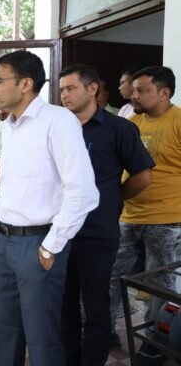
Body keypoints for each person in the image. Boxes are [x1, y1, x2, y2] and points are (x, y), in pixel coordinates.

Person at [0, 51, 99, 366]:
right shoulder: (6, 127)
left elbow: (83, 191)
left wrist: (52, 246)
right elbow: (9, 184)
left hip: (38, 243)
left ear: (25, 84)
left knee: (42, 338)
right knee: (7, 331)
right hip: (4, 242)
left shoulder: (57, 120)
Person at [59, 64, 154, 366]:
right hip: (59, 231)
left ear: (92, 89)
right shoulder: (57, 128)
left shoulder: (119, 129)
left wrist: (111, 198)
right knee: (64, 305)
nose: (64, 95)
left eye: (70, 88)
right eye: (61, 90)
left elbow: (142, 176)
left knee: (96, 305)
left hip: (98, 232)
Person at [109, 65, 181, 364]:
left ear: (164, 93)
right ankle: (104, 329)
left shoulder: (178, 122)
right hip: (128, 215)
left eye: (142, 90)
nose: (133, 95)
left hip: (167, 219)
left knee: (159, 284)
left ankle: (156, 341)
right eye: (134, 89)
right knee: (113, 275)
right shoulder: (131, 123)